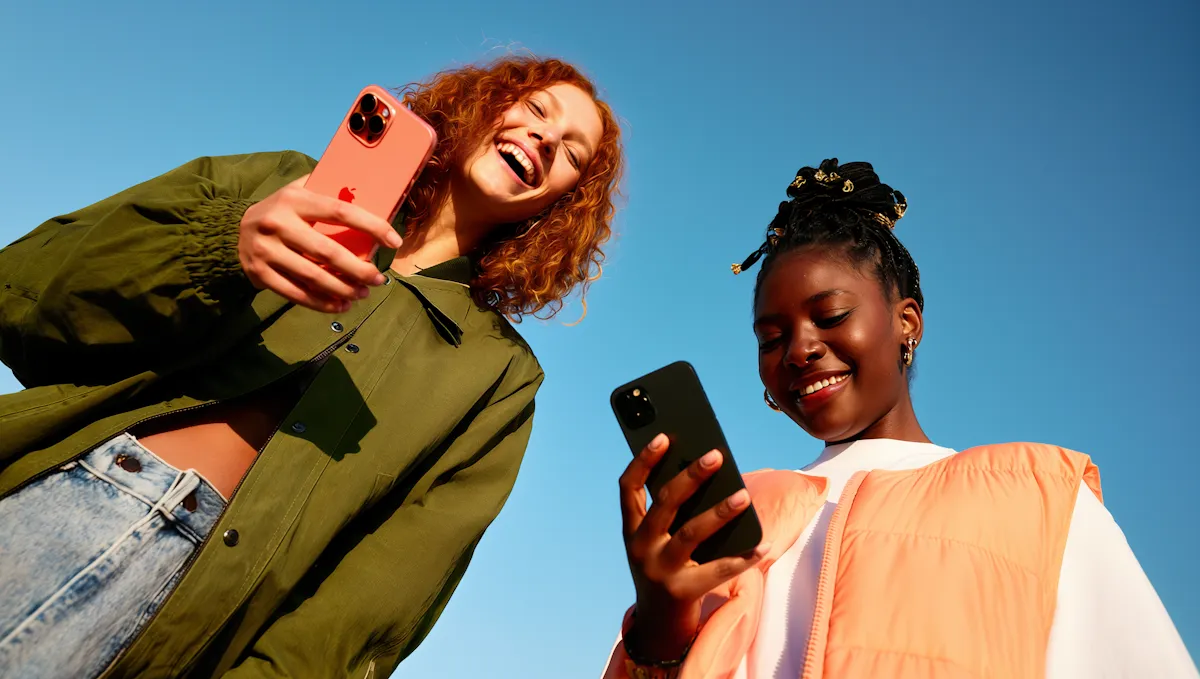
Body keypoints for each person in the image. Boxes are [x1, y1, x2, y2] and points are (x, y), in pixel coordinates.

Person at [0, 55, 623, 678]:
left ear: (564, 204)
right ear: (484, 104)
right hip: (48, 490)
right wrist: (224, 243)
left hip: (180, 612)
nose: (545, 138)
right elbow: (30, 288)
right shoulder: (286, 184)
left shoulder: (501, 377)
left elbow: (383, 592)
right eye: (537, 110)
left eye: (571, 153)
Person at [605, 160, 1196, 679]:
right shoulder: (730, 514)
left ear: (907, 321)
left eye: (830, 315)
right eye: (772, 337)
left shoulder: (1038, 497)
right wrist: (657, 626)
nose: (799, 349)